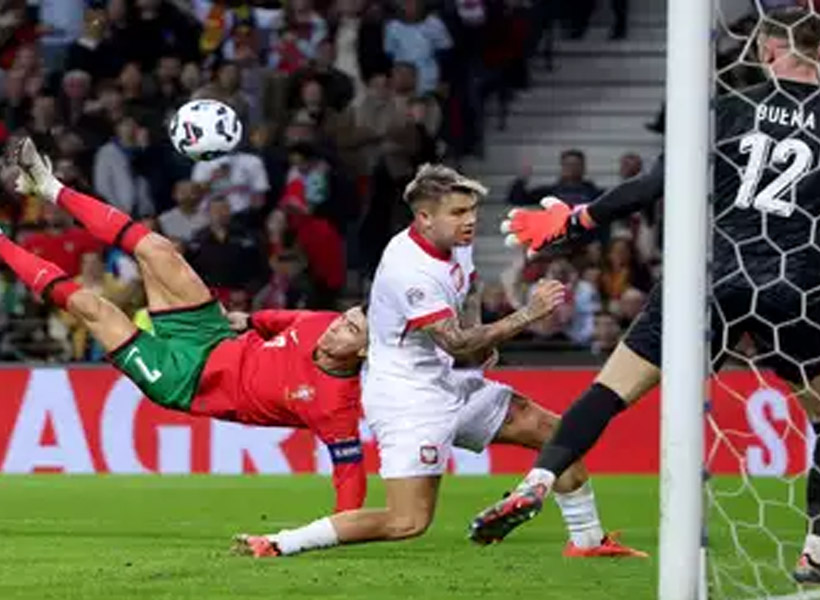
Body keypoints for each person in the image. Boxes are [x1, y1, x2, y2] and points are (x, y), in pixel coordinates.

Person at [478, 8, 820, 584]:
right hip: (797, 283)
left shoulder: (729, 108)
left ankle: (537, 481)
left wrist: (579, 221)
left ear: (765, 50)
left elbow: (657, 183)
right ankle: (814, 547)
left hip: (710, 275)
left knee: (608, 391)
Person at [233, 164, 645, 559]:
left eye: (472, 211)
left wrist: (483, 337)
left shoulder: (454, 245)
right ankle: (279, 542)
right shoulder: (409, 270)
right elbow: (456, 344)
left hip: (441, 379)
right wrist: (529, 313)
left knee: (557, 434)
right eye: (459, 213)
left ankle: (588, 541)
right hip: (407, 399)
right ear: (425, 218)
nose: (470, 221)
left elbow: (467, 298)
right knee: (406, 521)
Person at [0, 137, 368, 514]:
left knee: (93, 307)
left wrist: (332, 534)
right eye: (345, 318)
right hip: (213, 336)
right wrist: (249, 319)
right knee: (157, 248)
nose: (337, 328)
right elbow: (285, 319)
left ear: (365, 352)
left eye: (350, 330)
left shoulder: (336, 408)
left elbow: (350, 480)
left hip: (183, 380)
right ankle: (50, 186)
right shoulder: (324, 322)